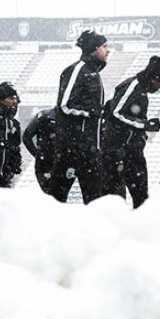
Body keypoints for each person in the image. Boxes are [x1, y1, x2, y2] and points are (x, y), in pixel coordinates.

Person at [102, 56, 160, 208]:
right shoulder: (133, 85)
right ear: (153, 76)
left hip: (132, 150)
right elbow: (116, 113)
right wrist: (144, 125)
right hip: (117, 150)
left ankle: (140, 226)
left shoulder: (141, 89)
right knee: (116, 197)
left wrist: (143, 130)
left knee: (141, 196)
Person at [51, 30, 109, 203]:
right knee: (56, 198)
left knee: (95, 200)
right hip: (73, 148)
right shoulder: (77, 70)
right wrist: (93, 112)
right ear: (93, 48)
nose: (108, 50)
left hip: (91, 149)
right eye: (104, 46)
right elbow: (64, 104)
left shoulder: (93, 73)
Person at [22, 107, 58, 196]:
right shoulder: (44, 116)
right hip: (46, 163)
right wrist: (38, 154)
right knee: (50, 194)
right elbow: (27, 137)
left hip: (63, 162)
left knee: (59, 196)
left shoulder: (72, 117)